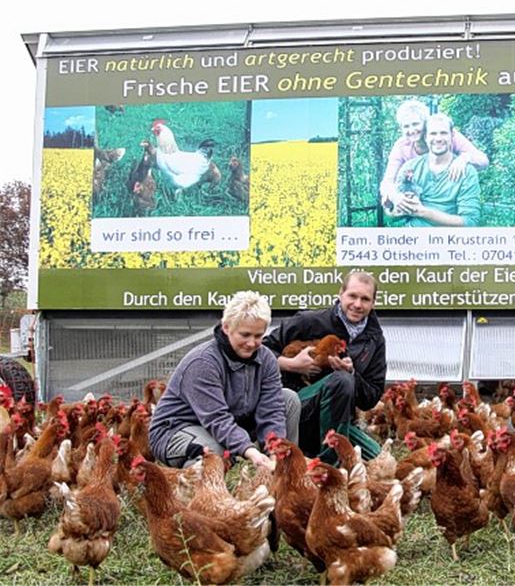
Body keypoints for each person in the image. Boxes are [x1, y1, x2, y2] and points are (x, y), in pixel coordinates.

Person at [149, 291, 300, 469]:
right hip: (177, 429)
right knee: (214, 454)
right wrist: (250, 451)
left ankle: (284, 468)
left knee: (288, 399)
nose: (252, 343)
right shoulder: (203, 362)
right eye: (245, 335)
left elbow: (272, 409)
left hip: (232, 423)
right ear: (227, 327)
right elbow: (217, 419)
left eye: (258, 336)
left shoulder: (266, 359)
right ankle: (199, 487)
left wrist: (275, 450)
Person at [262, 271, 387, 462]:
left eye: (365, 299)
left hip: (338, 419)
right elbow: (262, 349)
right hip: (298, 408)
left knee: (378, 457)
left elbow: (370, 398)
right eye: (352, 296)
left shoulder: (374, 340)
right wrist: (291, 365)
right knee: (342, 381)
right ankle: (330, 465)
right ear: (340, 294)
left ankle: (324, 450)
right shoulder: (310, 321)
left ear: (374, 302)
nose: (358, 304)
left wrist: (352, 373)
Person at [380, 99, 488, 213]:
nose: (411, 130)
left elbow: (483, 160)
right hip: (421, 199)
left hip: (449, 195)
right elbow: (388, 181)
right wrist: (394, 196)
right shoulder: (402, 146)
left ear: (425, 124)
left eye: (415, 124)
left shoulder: (443, 136)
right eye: (406, 126)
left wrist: (463, 158)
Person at [388, 113, 482, 227]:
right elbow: (392, 214)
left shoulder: (466, 172)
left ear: (452, 135)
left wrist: (422, 212)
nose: (438, 139)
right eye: (433, 134)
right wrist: (397, 205)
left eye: (443, 133)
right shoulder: (410, 167)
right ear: (426, 137)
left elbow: (470, 222)